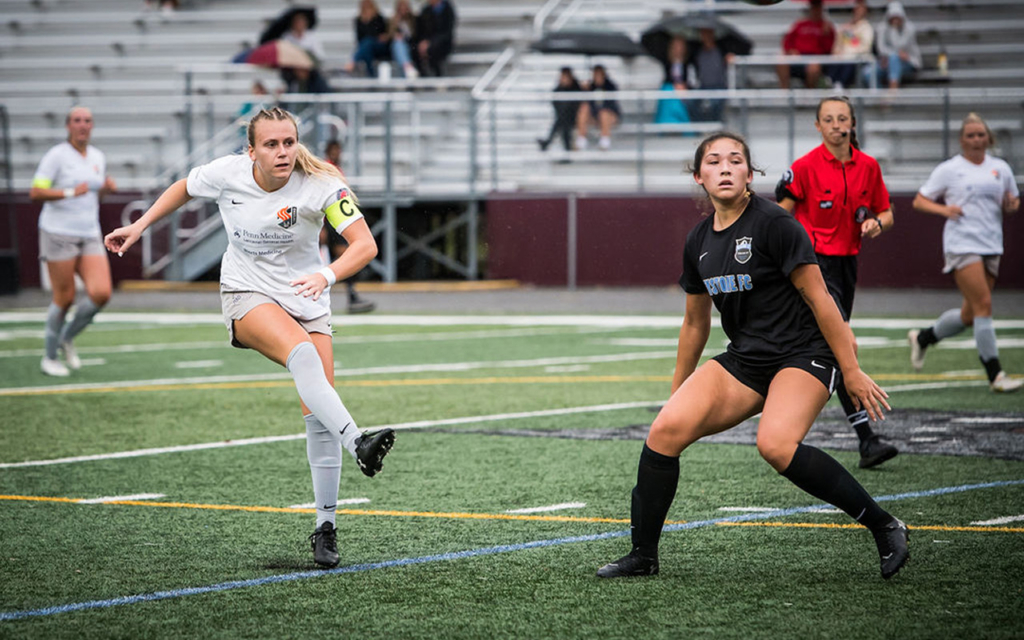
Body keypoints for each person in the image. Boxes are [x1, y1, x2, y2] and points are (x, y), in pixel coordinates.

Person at [595, 131, 908, 581]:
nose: (725, 168)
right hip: (745, 360)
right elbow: (695, 324)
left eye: (735, 160)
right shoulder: (698, 240)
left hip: (804, 353)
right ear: (699, 176)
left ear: (749, 174)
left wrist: (852, 370)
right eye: (714, 161)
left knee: (775, 444)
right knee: (664, 431)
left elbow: (822, 301)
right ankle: (643, 556)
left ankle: (884, 524)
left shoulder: (775, 224)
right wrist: (677, 390)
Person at [103, 107, 396, 567]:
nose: (282, 152)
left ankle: (325, 528)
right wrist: (140, 225)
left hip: (308, 296)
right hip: (246, 292)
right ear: (251, 150)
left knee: (318, 413)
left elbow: (365, 245)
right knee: (303, 358)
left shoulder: (323, 184)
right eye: (271, 144)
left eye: (289, 142)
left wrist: (327, 275)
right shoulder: (228, 173)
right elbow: (183, 187)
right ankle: (358, 440)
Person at [776, 96, 899, 469]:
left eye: (842, 118)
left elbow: (887, 212)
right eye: (828, 119)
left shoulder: (868, 166)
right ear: (818, 126)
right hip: (814, 264)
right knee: (844, 342)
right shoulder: (805, 166)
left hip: (847, 265)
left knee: (829, 344)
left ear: (853, 123)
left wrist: (877, 224)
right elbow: (780, 215)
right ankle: (866, 439)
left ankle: (860, 438)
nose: (835, 124)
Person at [908, 113, 1022, 393]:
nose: (975, 140)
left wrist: (1011, 205)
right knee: (984, 304)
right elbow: (920, 201)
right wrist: (944, 209)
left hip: (991, 243)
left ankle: (923, 338)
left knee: (971, 314)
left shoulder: (1000, 168)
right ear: (961, 140)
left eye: (980, 134)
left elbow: (1012, 201)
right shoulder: (950, 169)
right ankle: (996, 375)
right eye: (970, 135)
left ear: (988, 138)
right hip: (961, 244)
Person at [30, 106, 117, 377]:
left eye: (87, 121)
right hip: (58, 233)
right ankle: (49, 356)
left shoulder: (97, 157)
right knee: (65, 298)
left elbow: (93, 198)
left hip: (89, 232)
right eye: (77, 120)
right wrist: (70, 191)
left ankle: (66, 337)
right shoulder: (56, 156)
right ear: (68, 125)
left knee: (101, 293)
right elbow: (36, 192)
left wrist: (103, 190)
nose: (83, 125)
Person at [323, 139, 376, 314]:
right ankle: (350, 296)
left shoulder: (335, 168)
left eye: (338, 150)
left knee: (339, 258)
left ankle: (351, 296)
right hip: (331, 222)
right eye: (334, 150)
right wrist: (322, 227)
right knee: (344, 258)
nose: (337, 153)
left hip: (333, 221)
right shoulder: (328, 169)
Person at [776, 0, 835, 90]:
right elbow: (787, 41)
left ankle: (808, 93)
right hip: (798, 57)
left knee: (814, 67)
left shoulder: (826, 27)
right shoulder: (800, 24)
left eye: (817, 8)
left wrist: (826, 35)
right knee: (781, 60)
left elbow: (828, 49)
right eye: (813, 8)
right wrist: (791, 50)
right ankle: (784, 92)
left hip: (815, 59)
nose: (815, 10)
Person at [690, 27, 733, 122]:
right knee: (691, 103)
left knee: (715, 104)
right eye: (703, 34)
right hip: (703, 86)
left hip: (719, 86)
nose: (706, 37)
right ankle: (699, 128)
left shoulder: (722, 49)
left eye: (708, 34)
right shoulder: (697, 52)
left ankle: (716, 126)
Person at [827, 0, 874, 89]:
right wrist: (837, 51)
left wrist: (850, 52)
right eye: (856, 8)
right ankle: (830, 83)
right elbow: (838, 44)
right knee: (833, 61)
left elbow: (865, 47)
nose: (858, 11)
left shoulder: (867, 28)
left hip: (857, 59)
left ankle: (840, 84)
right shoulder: (845, 27)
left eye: (861, 9)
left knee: (849, 62)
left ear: (865, 11)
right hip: (842, 58)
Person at [875, 1, 921, 89]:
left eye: (897, 18)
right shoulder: (882, 27)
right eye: (893, 18)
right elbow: (881, 48)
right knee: (868, 73)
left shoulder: (909, 29)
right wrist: (894, 55)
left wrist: (898, 55)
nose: (895, 21)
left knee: (894, 58)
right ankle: (878, 97)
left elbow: (900, 45)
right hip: (886, 62)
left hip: (908, 62)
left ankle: (893, 89)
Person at [537, 67, 582, 155]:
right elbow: (556, 105)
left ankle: (548, 142)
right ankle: (567, 151)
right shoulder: (558, 89)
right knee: (563, 122)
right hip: (564, 117)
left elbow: (576, 106)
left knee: (562, 121)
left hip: (575, 116)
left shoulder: (576, 89)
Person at [575, 65, 621, 151]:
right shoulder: (591, 86)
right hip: (594, 115)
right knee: (584, 108)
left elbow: (610, 105)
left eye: (599, 74)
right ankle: (581, 139)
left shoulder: (610, 86)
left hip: (609, 115)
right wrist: (583, 89)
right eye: (595, 74)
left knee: (604, 113)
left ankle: (605, 140)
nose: (596, 77)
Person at [653, 37, 693, 127]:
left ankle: (681, 122)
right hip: (671, 90)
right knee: (668, 90)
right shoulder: (667, 61)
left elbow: (692, 79)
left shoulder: (689, 62)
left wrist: (683, 86)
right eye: (676, 46)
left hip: (684, 91)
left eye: (681, 47)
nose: (678, 49)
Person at [346, 0, 391, 78]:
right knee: (367, 47)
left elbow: (381, 34)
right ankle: (371, 75)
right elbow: (359, 38)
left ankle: (353, 61)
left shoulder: (379, 18)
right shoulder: (358, 20)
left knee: (368, 42)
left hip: (378, 46)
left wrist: (370, 21)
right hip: (367, 47)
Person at [413, 0, 456, 77]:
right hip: (427, 41)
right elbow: (421, 30)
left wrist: (430, 42)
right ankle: (422, 75)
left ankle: (438, 75)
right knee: (414, 49)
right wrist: (423, 42)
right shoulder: (426, 10)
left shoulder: (447, 9)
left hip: (442, 42)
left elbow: (447, 32)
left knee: (433, 49)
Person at [388, 0, 419, 79]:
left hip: (411, 44)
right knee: (398, 44)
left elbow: (415, 34)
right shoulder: (393, 19)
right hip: (397, 46)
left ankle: (407, 68)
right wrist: (396, 24)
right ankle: (407, 67)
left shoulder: (413, 19)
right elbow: (390, 34)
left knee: (401, 48)